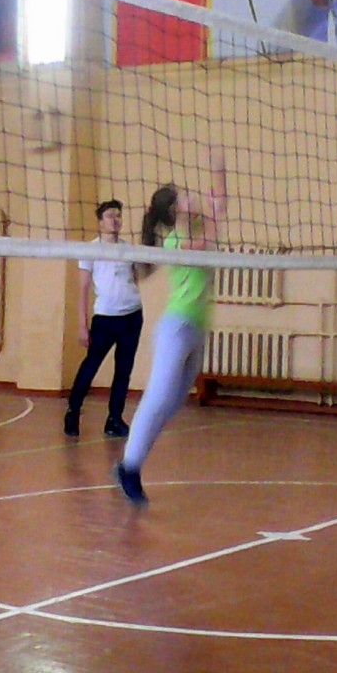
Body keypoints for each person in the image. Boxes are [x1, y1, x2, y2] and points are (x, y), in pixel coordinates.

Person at [116, 150, 228, 503]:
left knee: (175, 401)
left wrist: (219, 169)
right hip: (176, 326)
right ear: (175, 210)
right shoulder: (177, 240)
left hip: (196, 329)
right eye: (183, 196)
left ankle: (134, 461)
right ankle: (129, 466)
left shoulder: (196, 227)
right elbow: (208, 241)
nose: (190, 196)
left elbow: (219, 206)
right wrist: (213, 213)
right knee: (159, 396)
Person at [64, 200, 143, 440]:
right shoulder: (90, 250)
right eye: (110, 216)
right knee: (91, 365)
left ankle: (114, 419)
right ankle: (73, 411)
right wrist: (82, 324)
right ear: (100, 222)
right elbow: (83, 289)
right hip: (105, 318)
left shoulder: (129, 249)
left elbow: (134, 278)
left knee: (124, 370)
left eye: (118, 215)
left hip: (132, 315)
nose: (115, 220)